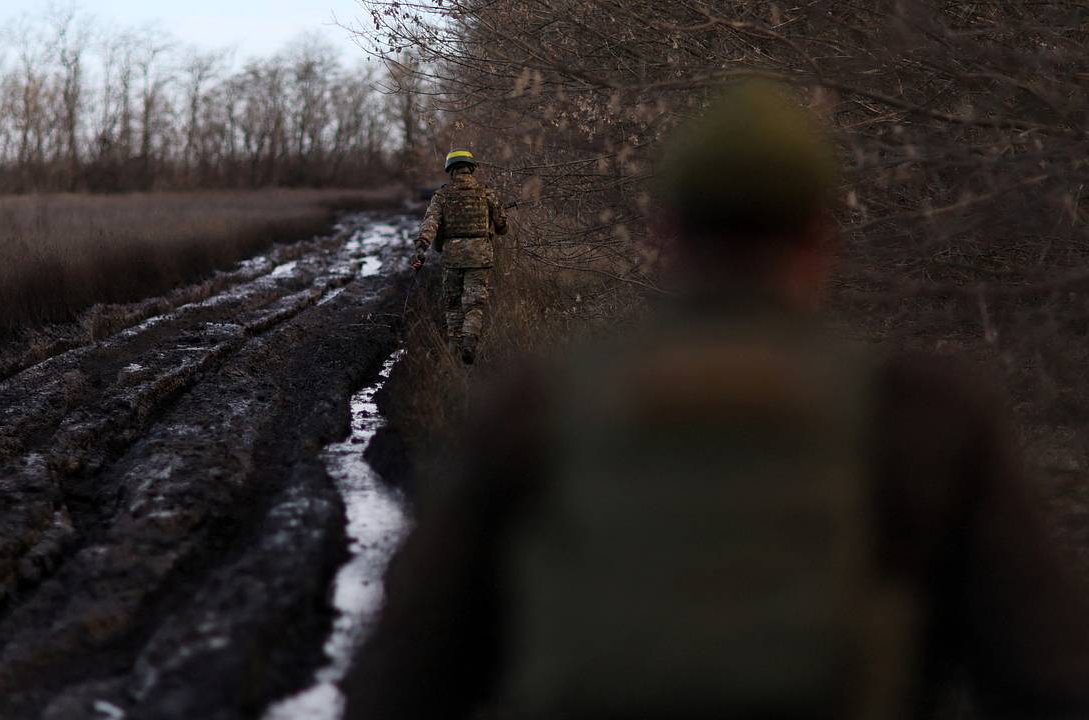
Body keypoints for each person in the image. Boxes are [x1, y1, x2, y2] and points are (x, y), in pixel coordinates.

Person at [344, 84, 1089, 718]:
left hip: (461, 270)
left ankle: (462, 333)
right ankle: (468, 327)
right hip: (483, 259)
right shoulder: (926, 414)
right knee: (473, 299)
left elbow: (402, 678)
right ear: (821, 230)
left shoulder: (538, 405)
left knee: (458, 307)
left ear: (665, 230)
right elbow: (1050, 678)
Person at [413, 149, 509, 364]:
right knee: (474, 304)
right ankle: (469, 340)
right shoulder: (486, 192)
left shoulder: (442, 195)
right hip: (480, 257)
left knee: (453, 304)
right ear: (471, 167)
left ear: (450, 170)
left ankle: (454, 351)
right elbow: (502, 227)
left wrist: (422, 247)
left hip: (452, 258)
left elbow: (430, 223)